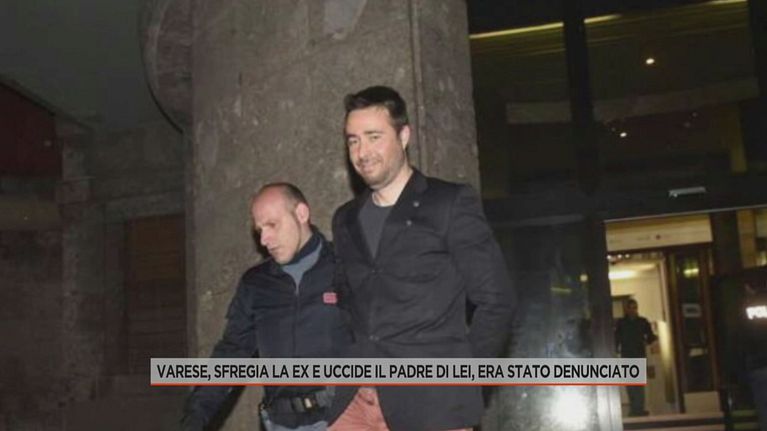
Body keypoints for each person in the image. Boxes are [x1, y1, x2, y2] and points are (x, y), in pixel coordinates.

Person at [328, 85, 517, 431]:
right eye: (353, 140)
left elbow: (497, 300)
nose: (362, 152)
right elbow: (344, 304)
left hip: (431, 404)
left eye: (373, 137)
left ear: (404, 136)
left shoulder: (448, 203)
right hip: (355, 401)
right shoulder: (345, 219)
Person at [181, 183, 352, 431]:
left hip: (344, 420)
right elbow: (232, 354)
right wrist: (194, 419)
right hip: (280, 424)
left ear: (301, 214)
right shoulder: (256, 284)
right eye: (259, 230)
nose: (264, 240)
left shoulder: (346, 267)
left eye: (272, 225)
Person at [615, 298, 657, 417]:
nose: (633, 310)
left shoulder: (642, 322)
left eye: (635, 308)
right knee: (630, 385)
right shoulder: (622, 323)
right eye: (631, 308)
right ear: (626, 309)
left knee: (638, 385)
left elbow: (650, 337)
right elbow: (617, 338)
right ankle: (635, 409)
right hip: (627, 355)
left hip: (639, 355)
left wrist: (653, 340)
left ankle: (638, 409)